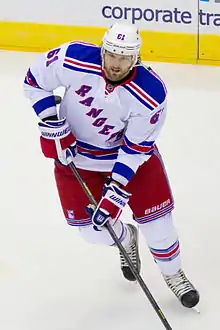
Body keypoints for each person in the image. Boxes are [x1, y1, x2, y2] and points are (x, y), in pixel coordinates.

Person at [24, 22, 199, 308]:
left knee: (158, 226)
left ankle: (174, 274)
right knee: (92, 231)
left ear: (136, 58)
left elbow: (136, 147)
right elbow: (34, 79)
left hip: (131, 161)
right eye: (111, 55)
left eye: (124, 58)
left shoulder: (152, 92)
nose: (115, 65)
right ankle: (126, 236)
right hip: (78, 159)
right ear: (102, 50)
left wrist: (116, 189)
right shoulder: (73, 57)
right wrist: (51, 119)